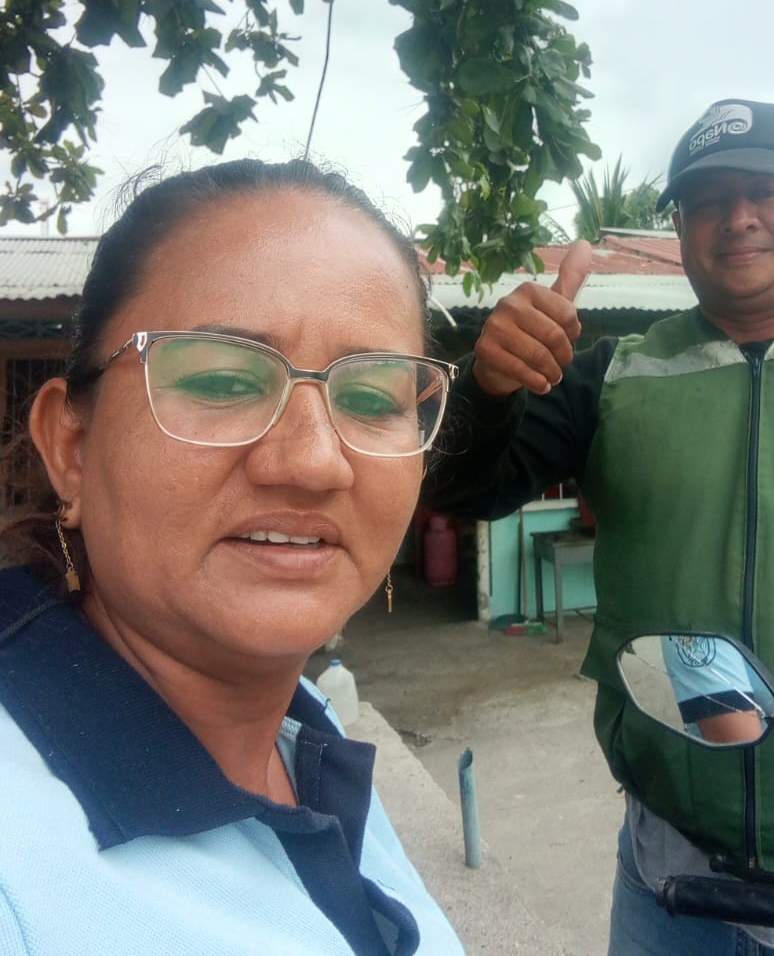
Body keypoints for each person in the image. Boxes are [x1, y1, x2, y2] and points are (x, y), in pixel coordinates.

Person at [426, 99, 774, 956]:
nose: (735, 217)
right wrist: (485, 391)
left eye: (766, 191)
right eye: (707, 200)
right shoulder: (610, 377)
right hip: (669, 877)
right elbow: (462, 487)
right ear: (679, 226)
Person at [0, 158, 465, 956]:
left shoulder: (300, 727)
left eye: (370, 398)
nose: (313, 461)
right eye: (221, 382)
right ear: (71, 448)